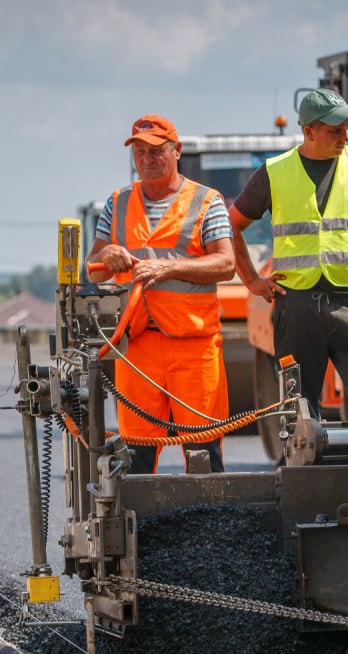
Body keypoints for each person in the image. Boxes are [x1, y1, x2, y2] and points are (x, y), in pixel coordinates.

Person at [229, 89, 348, 420]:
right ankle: (300, 470)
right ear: (308, 132)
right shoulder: (274, 171)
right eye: (334, 130)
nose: (344, 135)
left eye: (346, 126)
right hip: (296, 306)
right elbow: (232, 226)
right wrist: (252, 280)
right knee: (297, 414)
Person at [86, 115, 235, 474]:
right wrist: (106, 255)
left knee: (203, 451)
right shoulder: (117, 203)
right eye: (140, 152)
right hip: (136, 346)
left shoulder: (206, 202)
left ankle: (209, 527)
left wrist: (168, 267)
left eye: (156, 151)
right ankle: (141, 528)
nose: (147, 159)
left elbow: (226, 263)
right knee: (136, 454)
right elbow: (93, 264)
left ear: (176, 151)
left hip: (193, 346)